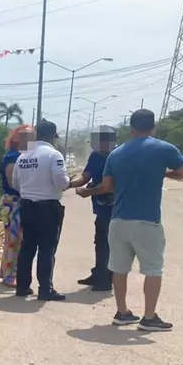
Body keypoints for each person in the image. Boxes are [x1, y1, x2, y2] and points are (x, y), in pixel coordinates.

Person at [75, 109, 183, 331]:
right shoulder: (164, 148)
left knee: (119, 268)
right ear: (153, 127)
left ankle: (122, 312)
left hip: (118, 219)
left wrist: (87, 191)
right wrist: (163, 173)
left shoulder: (116, 154)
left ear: (130, 129)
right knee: (153, 269)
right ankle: (149, 317)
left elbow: (106, 186)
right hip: (147, 221)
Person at [12, 120, 72, 301]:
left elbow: (15, 184)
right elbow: (61, 182)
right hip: (48, 209)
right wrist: (69, 181)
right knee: (47, 249)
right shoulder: (54, 155)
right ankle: (45, 289)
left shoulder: (23, 156)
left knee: (27, 248)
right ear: (53, 136)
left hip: (27, 207)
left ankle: (22, 287)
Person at [69, 125, 117, 292]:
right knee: (100, 242)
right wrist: (69, 184)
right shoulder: (95, 156)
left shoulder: (118, 156)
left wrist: (88, 192)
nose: (101, 144)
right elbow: (86, 176)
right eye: (99, 140)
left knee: (109, 244)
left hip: (116, 208)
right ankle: (98, 273)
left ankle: (106, 280)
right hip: (101, 207)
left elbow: (110, 186)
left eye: (105, 140)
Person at [0, 124, 35, 287]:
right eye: (24, 136)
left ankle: (6, 272)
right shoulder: (12, 157)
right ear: (15, 139)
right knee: (14, 240)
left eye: (31, 136)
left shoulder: (23, 156)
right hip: (14, 202)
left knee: (14, 240)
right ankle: (10, 276)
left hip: (17, 201)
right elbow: (13, 183)